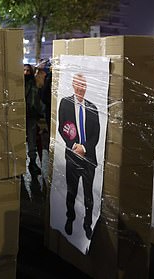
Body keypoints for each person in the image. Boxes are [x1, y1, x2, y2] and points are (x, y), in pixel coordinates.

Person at [58, 73, 100, 240]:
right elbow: (63, 127)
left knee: (89, 195)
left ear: (86, 86)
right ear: (73, 85)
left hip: (89, 159)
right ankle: (70, 218)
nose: (81, 88)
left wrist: (84, 147)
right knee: (71, 191)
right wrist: (73, 145)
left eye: (84, 84)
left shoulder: (93, 108)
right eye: (78, 84)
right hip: (72, 157)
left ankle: (87, 223)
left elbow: (96, 135)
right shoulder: (66, 103)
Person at [24, 64, 42, 175]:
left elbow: (37, 100)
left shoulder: (34, 84)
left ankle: (32, 162)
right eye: (24, 70)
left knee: (32, 141)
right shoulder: (18, 84)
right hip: (20, 117)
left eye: (28, 71)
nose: (26, 73)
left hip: (31, 117)